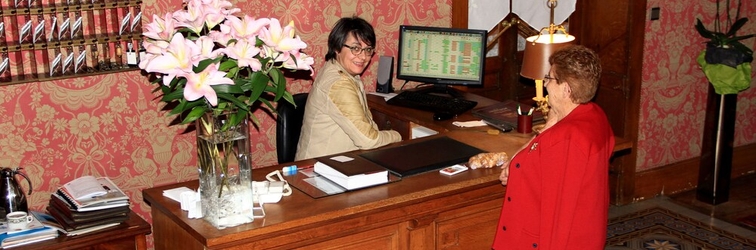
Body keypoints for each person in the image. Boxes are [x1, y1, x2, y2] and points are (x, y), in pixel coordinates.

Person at [468, 45, 615, 249]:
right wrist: (552, 118)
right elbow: (536, 154)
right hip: (586, 234)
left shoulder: (564, 141)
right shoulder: (595, 115)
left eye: (550, 78)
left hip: (537, 240)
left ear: (566, 89)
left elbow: (559, 213)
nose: (545, 84)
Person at [295, 16, 402, 160]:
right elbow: (367, 140)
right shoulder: (338, 84)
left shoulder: (340, 69)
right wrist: (398, 135)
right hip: (318, 172)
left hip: (338, 164)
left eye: (368, 50)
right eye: (356, 48)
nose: (363, 56)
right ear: (337, 48)